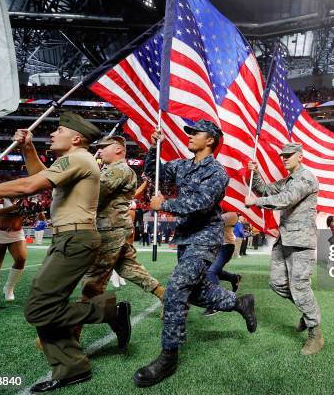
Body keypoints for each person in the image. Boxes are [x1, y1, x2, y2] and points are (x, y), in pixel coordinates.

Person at [0, 112, 131, 392]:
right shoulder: (76, 159)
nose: (51, 133)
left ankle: (108, 310)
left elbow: (30, 186)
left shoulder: (78, 158)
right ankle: (71, 367)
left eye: (59, 130)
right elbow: (40, 176)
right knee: (45, 303)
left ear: (75, 138)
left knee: (39, 307)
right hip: (69, 238)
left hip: (74, 238)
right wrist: (28, 148)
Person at [133, 121, 257, 387]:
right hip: (186, 237)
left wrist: (164, 204)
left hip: (205, 238)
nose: (189, 136)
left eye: (194, 133)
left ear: (210, 140)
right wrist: (154, 149)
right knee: (197, 291)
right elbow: (155, 175)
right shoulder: (182, 165)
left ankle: (168, 356)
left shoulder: (217, 172)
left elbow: (201, 204)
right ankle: (238, 302)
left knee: (177, 287)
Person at [77, 135, 165, 346]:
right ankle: (167, 297)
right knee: (129, 269)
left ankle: (72, 333)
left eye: (103, 147)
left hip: (110, 231)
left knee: (92, 282)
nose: (99, 151)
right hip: (116, 229)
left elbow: (91, 194)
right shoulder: (113, 170)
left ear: (118, 150)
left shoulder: (119, 169)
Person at [245, 142, 323, 356]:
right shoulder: (289, 180)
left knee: (300, 287)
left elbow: (286, 199)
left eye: (289, 155)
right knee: (277, 283)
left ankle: (315, 333)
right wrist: (255, 172)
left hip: (301, 242)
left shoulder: (306, 178)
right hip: (286, 239)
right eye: (283, 155)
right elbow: (267, 189)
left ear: (300, 156)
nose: (285, 158)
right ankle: (307, 312)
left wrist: (256, 202)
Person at [0, 198, 28, 307]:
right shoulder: (1, 197)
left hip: (17, 233)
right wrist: (15, 207)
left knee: (21, 259)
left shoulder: (26, 198)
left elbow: (31, 216)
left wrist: (36, 210)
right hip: (0, 234)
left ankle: (9, 288)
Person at [203, 211, 243, 317]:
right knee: (212, 271)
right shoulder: (216, 211)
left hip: (226, 247)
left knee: (211, 272)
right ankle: (234, 278)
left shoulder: (232, 214)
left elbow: (216, 221)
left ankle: (216, 303)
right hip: (215, 247)